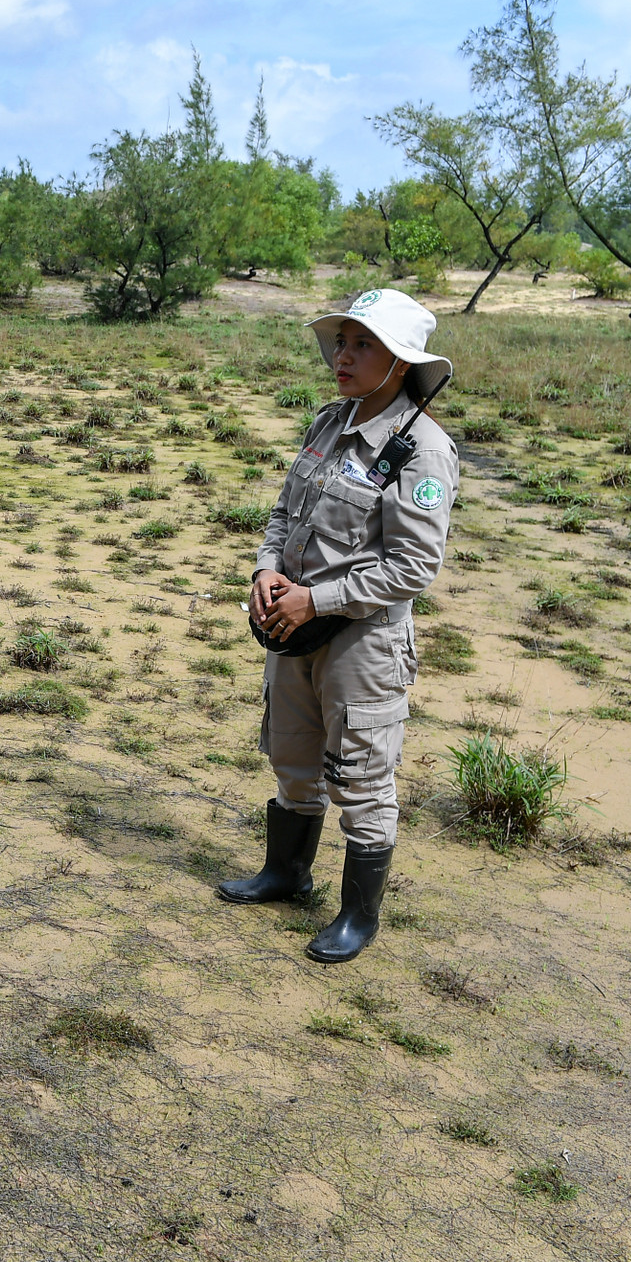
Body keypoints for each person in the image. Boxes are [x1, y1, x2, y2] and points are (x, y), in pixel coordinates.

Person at [226, 288, 459, 964]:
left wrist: (316, 600)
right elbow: (282, 515)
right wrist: (266, 572)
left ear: (401, 363)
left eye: (363, 345)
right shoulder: (330, 423)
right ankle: (286, 872)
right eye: (342, 341)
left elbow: (412, 567)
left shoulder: (421, 453)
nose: (343, 356)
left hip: (364, 641)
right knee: (292, 758)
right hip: (290, 624)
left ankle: (358, 917)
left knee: (359, 774)